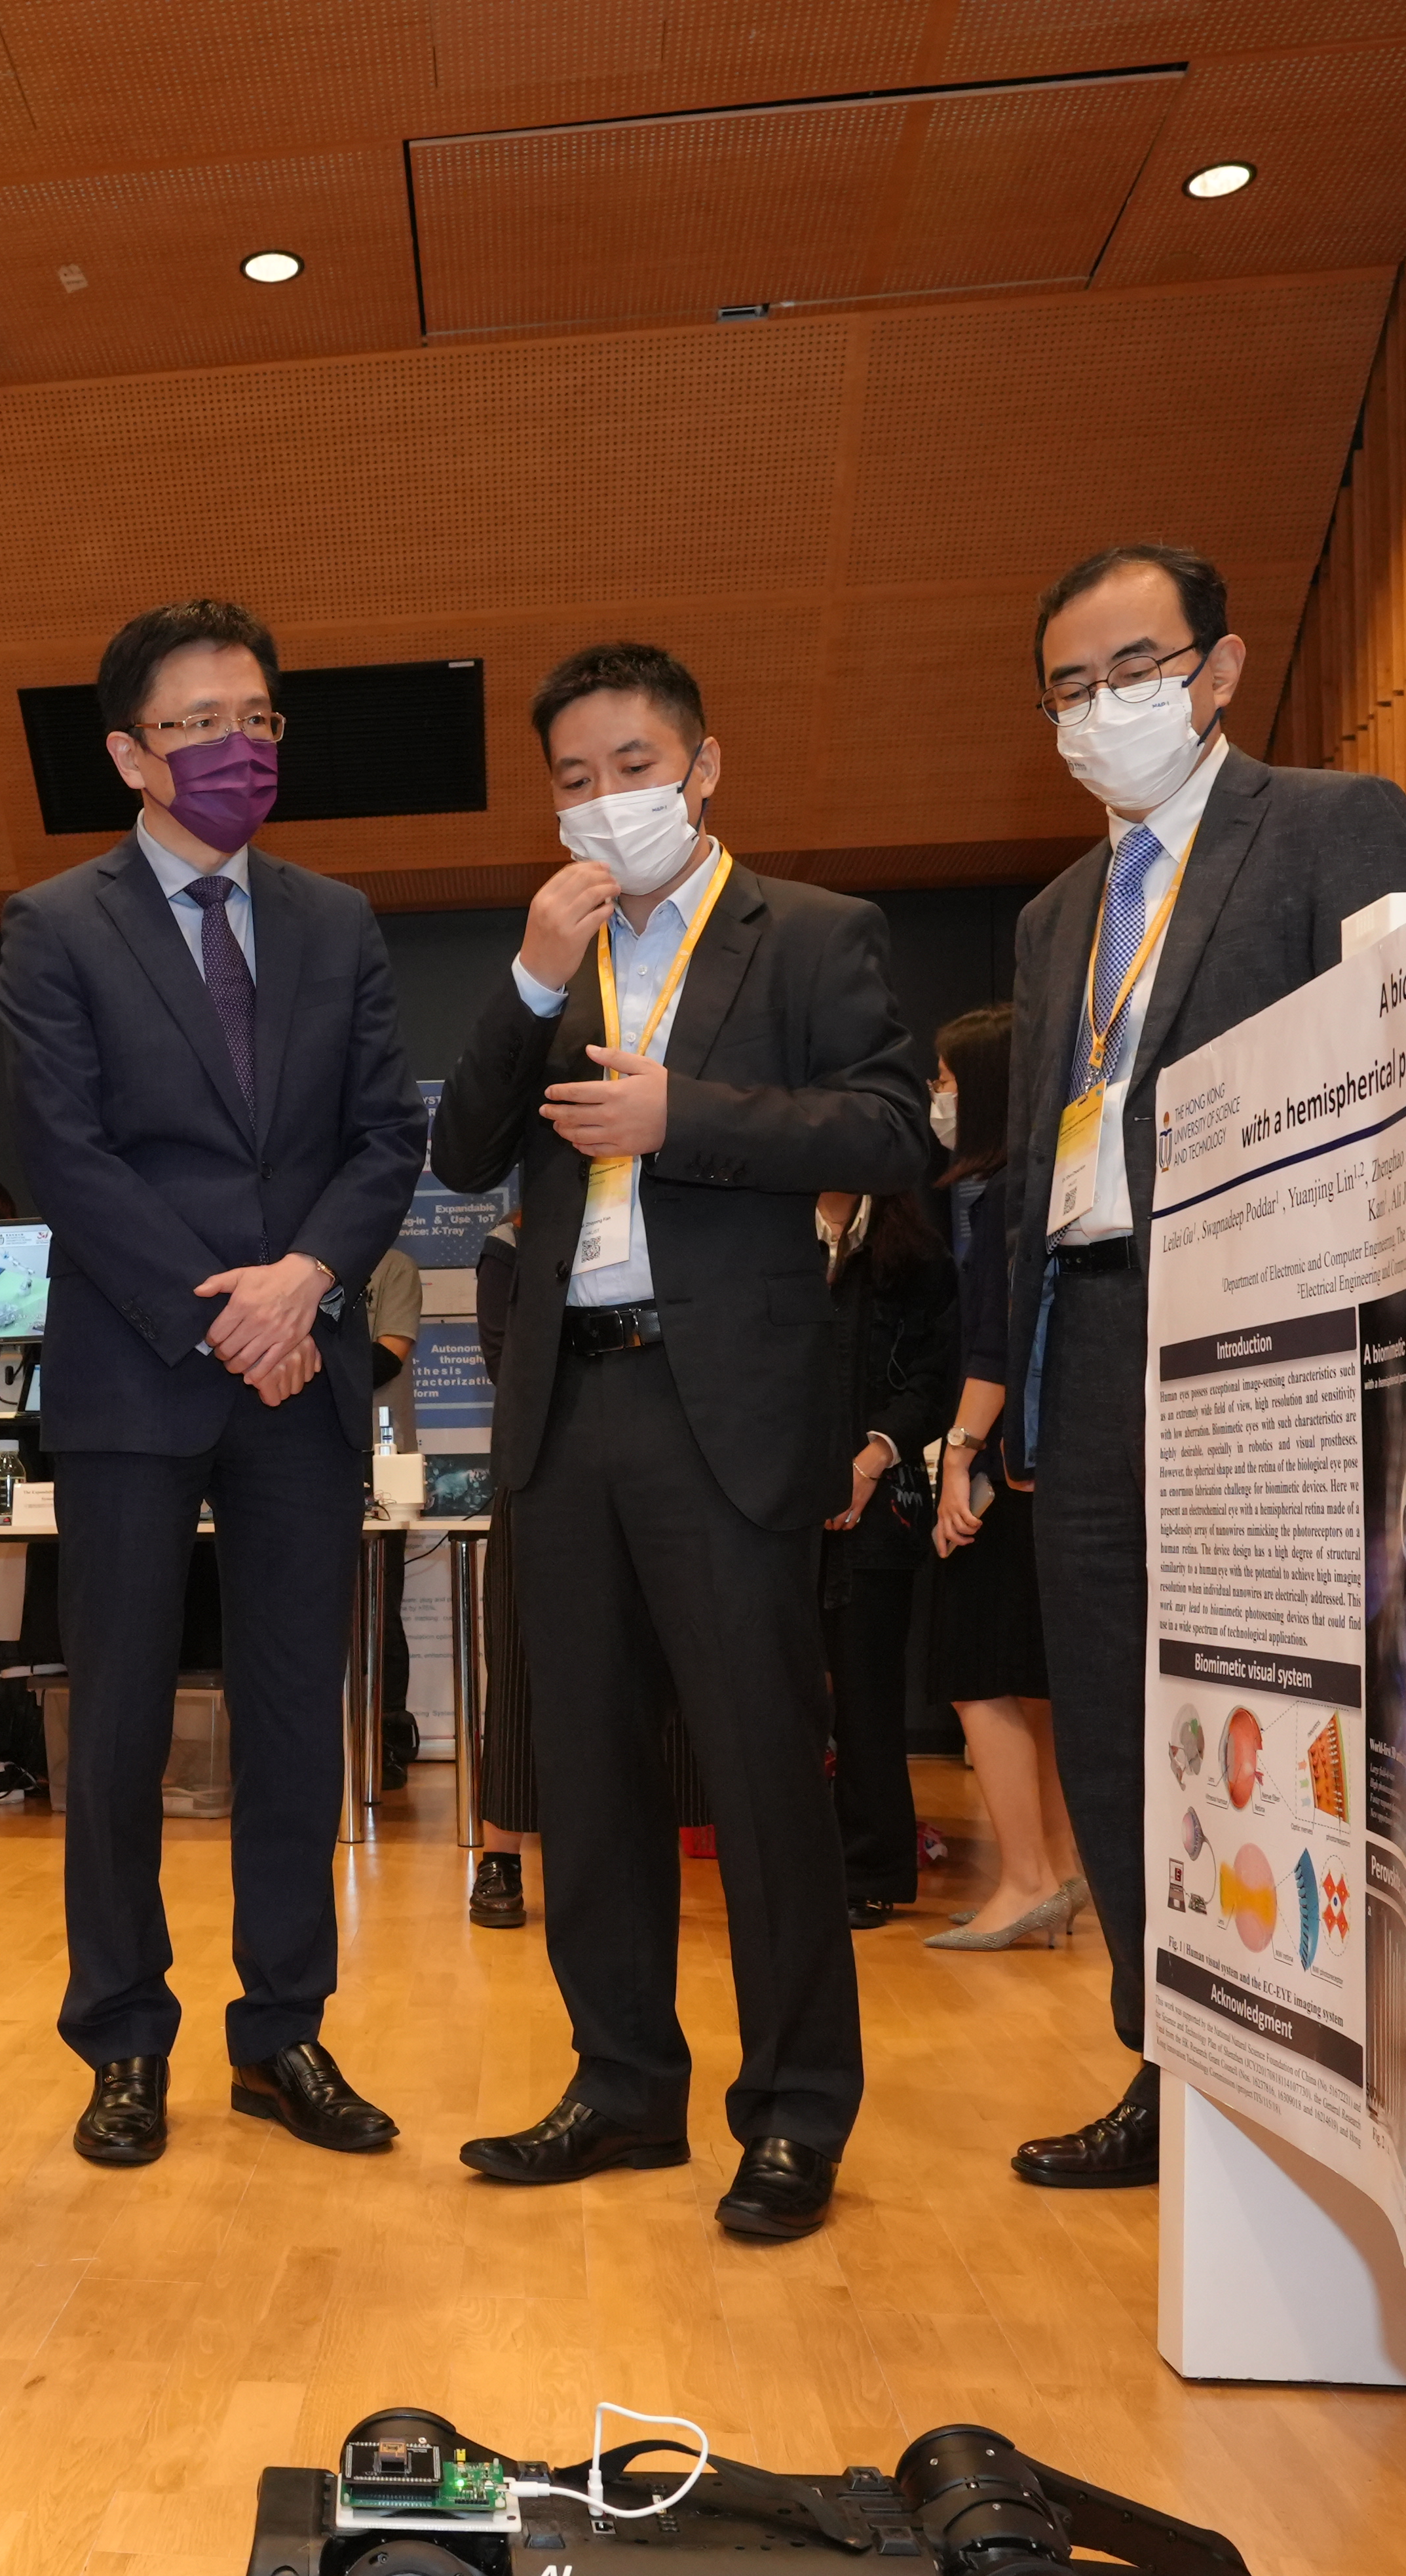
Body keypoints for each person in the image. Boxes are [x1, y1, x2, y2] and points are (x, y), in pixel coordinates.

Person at [428, 640, 932, 2243]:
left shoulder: (815, 935)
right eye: (574, 778)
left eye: (633, 767)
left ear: (702, 769)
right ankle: (623, 2082)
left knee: (765, 1768)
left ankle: (792, 2115)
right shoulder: (555, 953)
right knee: (582, 1761)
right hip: (567, 1401)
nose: (606, 801)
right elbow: (459, 1150)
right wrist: (521, 979)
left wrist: (685, 1119)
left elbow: (895, 1126)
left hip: (727, 1401)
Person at [998, 544, 1406, 2189]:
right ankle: (1161, 2063)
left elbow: (1397, 1080)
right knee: (1115, 1726)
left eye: (1134, 666)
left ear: (1221, 667)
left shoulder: (1330, 824)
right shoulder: (1055, 918)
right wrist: (994, 1395)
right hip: (1087, 1335)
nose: (1104, 705)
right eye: (1070, 683)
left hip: (1261, 1347)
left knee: (1284, 1709)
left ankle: (1310, 2069)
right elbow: (1029, 1171)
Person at [0, 597, 425, 2168]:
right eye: (199, 725)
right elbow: (66, 1154)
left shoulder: (336, 919)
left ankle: (284, 2033)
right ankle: (120, 2037)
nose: (239, 748)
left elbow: (387, 1134)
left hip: (300, 1370)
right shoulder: (55, 925)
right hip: (137, 1368)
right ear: (127, 752)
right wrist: (220, 1313)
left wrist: (304, 1282)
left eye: (259, 719)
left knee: (295, 1721)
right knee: (111, 1717)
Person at [916, 1007, 1084, 1953]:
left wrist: (958, 1457)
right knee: (1034, 1683)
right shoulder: (1044, 1183)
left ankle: (1023, 1878)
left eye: (944, 1079)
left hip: (1002, 1466)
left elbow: (993, 1348)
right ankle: (1055, 1872)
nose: (936, 1098)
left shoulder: (998, 1196)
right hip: (1048, 1467)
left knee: (976, 1675)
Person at [817, 1166, 955, 1931]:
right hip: (775, 1502)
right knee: (783, 1694)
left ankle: (870, 1869)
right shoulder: (764, 1238)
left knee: (868, 1695)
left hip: (883, 1502)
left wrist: (869, 1463)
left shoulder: (916, 1253)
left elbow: (935, 1383)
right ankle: (796, 1862)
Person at [462, 1219, 539, 1927]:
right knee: (515, 1667)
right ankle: (500, 1858)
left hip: (645, 1466)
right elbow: (505, 1364)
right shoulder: (509, 1245)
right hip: (538, 1470)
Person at [367, 1245, 424, 1788]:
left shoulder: (395, 1268)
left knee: (380, 1608)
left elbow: (387, 1356)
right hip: (305, 1459)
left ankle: (385, 1737)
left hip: (381, 1464)